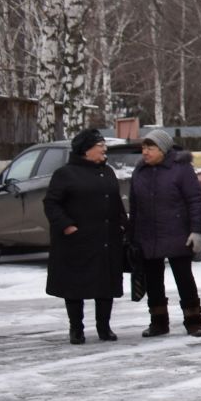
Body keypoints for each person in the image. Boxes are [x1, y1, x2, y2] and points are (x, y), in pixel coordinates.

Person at [43, 128, 128, 345]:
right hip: (77, 241)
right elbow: (51, 203)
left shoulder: (107, 171)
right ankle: (76, 329)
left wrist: (124, 226)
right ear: (86, 150)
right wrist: (66, 226)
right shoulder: (65, 174)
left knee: (106, 284)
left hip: (106, 239)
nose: (104, 150)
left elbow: (115, 201)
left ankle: (104, 327)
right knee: (75, 286)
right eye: (100, 146)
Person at [129, 128, 201, 338]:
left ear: (163, 149)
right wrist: (133, 237)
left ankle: (193, 321)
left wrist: (197, 231)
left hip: (178, 234)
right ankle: (158, 321)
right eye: (144, 147)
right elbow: (134, 206)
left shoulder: (181, 169)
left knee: (184, 279)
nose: (145, 152)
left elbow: (195, 201)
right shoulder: (139, 171)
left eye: (150, 147)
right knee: (153, 281)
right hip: (148, 236)